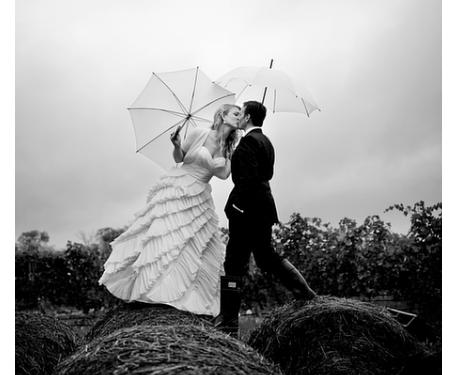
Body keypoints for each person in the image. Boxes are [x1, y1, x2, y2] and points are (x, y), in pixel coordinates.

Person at [99, 104, 241, 316]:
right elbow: (179, 158)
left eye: (241, 115)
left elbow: (223, 175)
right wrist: (176, 145)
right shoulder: (200, 133)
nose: (239, 117)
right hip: (179, 187)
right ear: (223, 115)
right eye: (236, 113)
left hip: (200, 196)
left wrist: (232, 155)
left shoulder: (229, 148)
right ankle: (154, 292)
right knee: (168, 239)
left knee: (193, 246)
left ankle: (185, 297)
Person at [215, 100, 316, 334]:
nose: (239, 116)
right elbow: (266, 174)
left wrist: (237, 207)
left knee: (234, 263)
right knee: (266, 256)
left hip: (247, 212)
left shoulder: (249, 142)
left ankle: (228, 322)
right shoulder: (266, 142)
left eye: (241, 112)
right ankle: (306, 294)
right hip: (264, 208)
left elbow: (247, 180)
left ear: (248, 117)